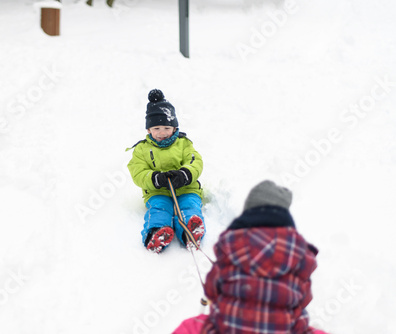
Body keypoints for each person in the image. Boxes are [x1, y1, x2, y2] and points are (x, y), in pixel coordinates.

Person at [173, 180, 329, 334]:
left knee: (191, 327)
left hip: (227, 327)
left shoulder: (231, 247)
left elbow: (212, 288)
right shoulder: (299, 257)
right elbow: (304, 299)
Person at [127, 89, 205, 253]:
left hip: (186, 188)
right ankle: (156, 233)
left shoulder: (184, 143)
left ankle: (189, 232)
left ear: (175, 127)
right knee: (160, 209)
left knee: (189, 206)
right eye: (156, 128)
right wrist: (155, 178)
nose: (162, 132)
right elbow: (138, 171)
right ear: (148, 130)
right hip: (158, 192)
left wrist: (184, 175)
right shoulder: (141, 149)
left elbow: (194, 161)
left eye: (166, 127)